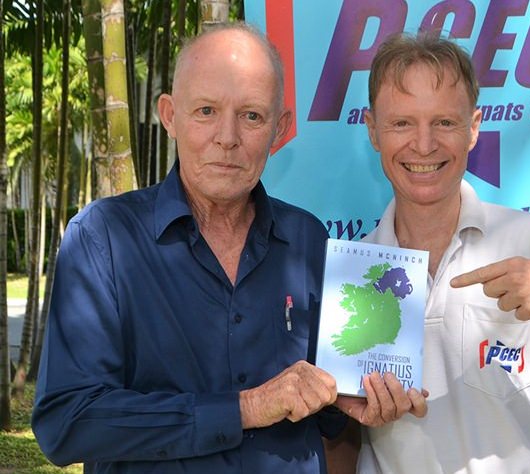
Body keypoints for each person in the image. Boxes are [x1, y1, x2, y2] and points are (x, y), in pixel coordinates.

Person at [32, 23, 425, 474]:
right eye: (205, 111)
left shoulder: (309, 240)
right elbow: (67, 422)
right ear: (169, 115)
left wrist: (349, 400)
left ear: (281, 128)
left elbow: (330, 414)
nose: (228, 137)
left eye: (252, 116)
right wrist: (246, 407)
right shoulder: (103, 239)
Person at [328, 32, 530, 474]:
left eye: (444, 122)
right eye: (402, 123)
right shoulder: (355, 272)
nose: (423, 145)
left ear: (474, 128)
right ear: (372, 130)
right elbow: (341, 439)